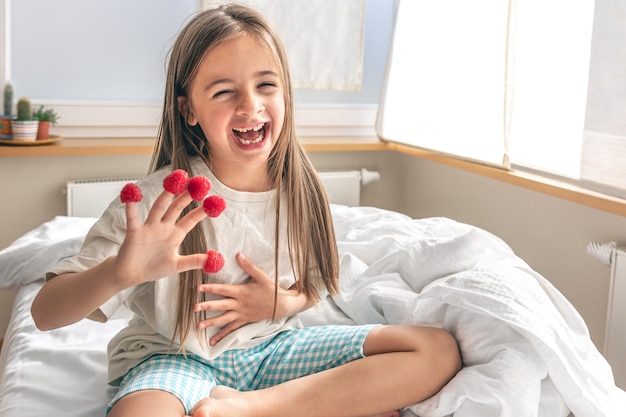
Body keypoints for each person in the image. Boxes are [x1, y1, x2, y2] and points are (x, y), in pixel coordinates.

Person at [31, 4, 461, 417]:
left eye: (266, 85)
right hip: (175, 357)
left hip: (273, 350)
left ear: (286, 95)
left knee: (435, 350)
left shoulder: (303, 192)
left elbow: (315, 284)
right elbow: (46, 314)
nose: (250, 105)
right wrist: (119, 274)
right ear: (188, 110)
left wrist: (280, 303)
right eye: (223, 91)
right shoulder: (154, 202)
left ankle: (250, 409)